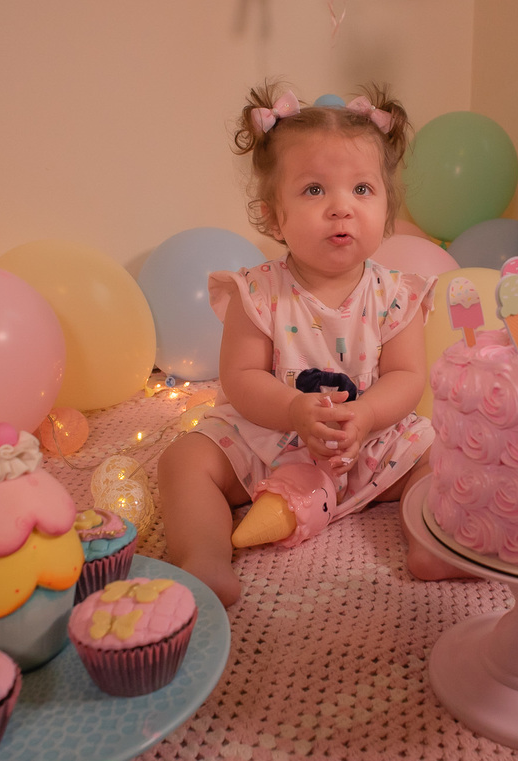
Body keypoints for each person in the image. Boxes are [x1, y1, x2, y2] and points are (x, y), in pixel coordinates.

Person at [158, 81, 450, 606]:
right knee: (184, 460)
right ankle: (202, 556)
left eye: (362, 190)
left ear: (386, 206)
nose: (341, 208)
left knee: (446, 456)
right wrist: (293, 409)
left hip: (369, 441)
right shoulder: (258, 292)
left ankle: (434, 541)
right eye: (315, 190)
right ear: (274, 215)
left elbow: (407, 377)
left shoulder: (395, 293)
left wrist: (366, 417)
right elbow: (242, 379)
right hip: (269, 439)